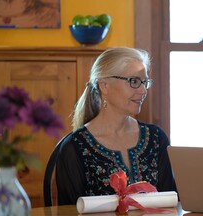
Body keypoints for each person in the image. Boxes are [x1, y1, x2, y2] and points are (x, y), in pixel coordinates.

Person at [50, 47, 176, 205]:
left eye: (145, 82)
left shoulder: (157, 139)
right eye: (134, 81)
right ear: (104, 85)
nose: (143, 90)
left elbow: (171, 205)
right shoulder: (74, 147)